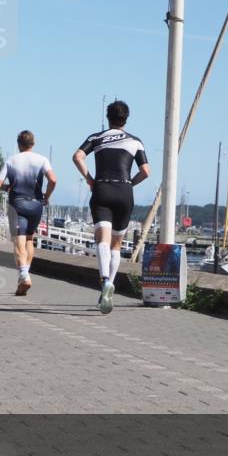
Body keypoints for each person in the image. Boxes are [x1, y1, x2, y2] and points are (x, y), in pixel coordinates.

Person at [72, 100, 149, 314]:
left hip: (102, 189)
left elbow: (77, 156)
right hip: (125, 192)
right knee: (116, 244)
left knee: (101, 240)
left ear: (108, 117)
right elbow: (145, 171)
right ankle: (108, 288)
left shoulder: (96, 137)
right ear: (126, 118)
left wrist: (89, 179)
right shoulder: (135, 141)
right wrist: (129, 184)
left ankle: (105, 280)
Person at [0, 130, 57, 296]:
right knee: (29, 239)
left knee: (18, 242)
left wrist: (7, 187)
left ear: (18, 144)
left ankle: (24, 276)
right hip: (36, 205)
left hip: (17, 205)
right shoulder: (42, 159)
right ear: (33, 143)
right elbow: (53, 179)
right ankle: (23, 278)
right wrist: (46, 196)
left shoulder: (11, 161)